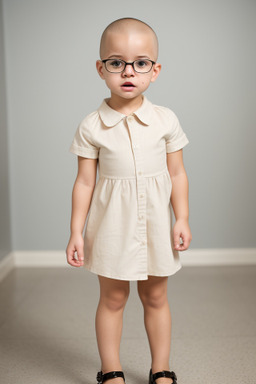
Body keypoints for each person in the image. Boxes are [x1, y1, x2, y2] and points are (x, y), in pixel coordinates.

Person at [66, 17, 192, 384]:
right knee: (113, 298)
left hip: (154, 224)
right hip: (111, 227)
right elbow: (85, 182)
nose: (128, 72)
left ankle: (161, 368)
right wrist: (76, 231)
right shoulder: (92, 126)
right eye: (116, 62)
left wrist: (181, 218)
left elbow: (178, 174)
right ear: (100, 68)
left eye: (140, 63)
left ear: (155, 71)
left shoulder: (165, 120)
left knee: (155, 297)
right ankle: (111, 371)